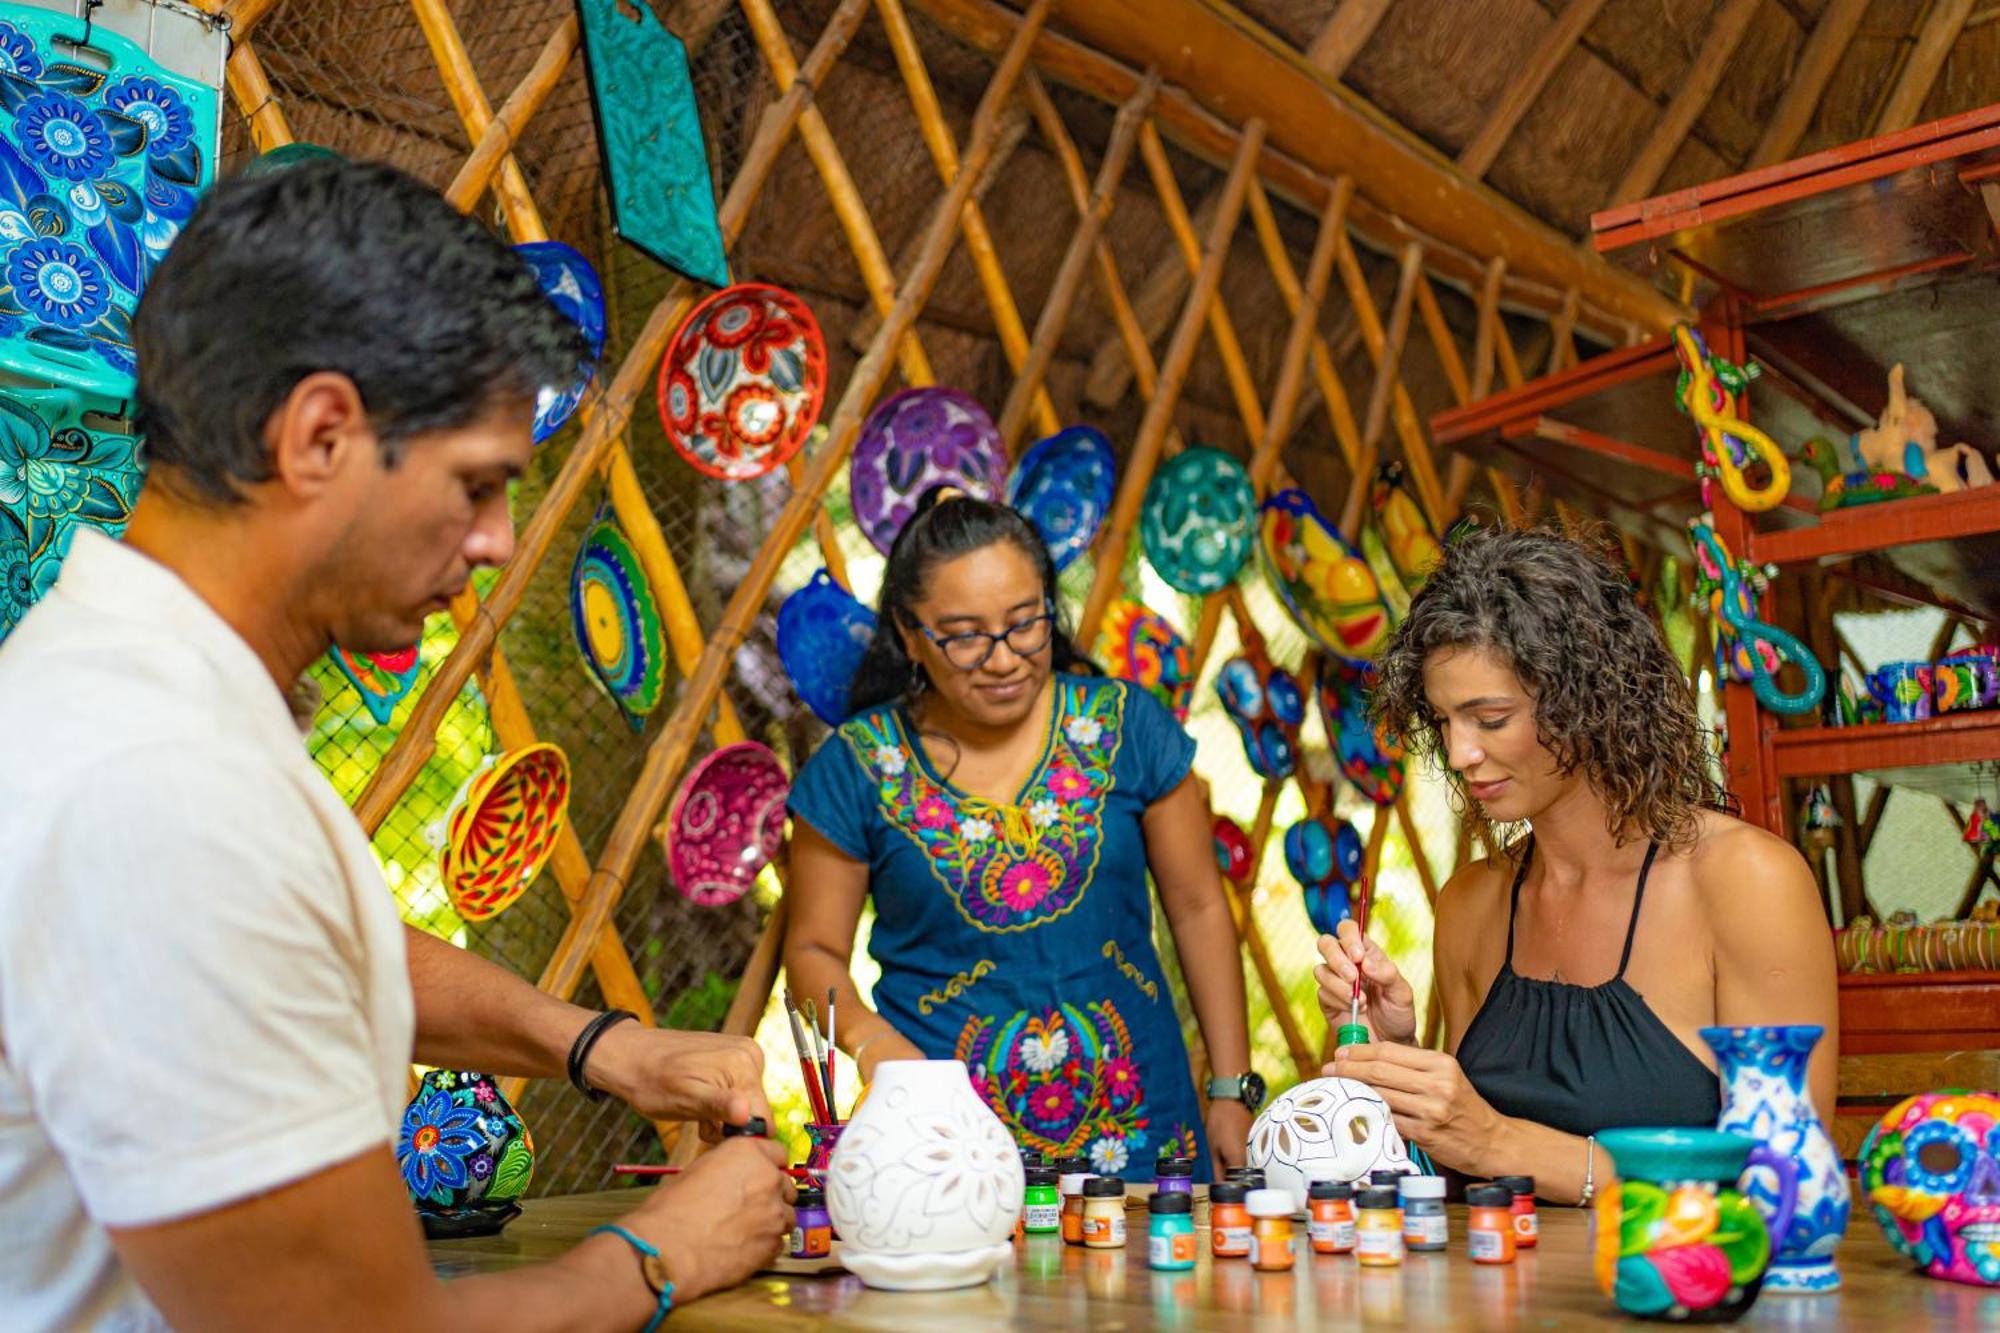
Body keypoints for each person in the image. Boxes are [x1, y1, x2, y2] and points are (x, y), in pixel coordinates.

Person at [0, 160, 792, 1331]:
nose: (493, 541)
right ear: (321, 434)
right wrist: (664, 1252)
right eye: (476, 485)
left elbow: (295, 950)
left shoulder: (133, 704)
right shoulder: (157, 788)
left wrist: (598, 1047)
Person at [1314, 525, 1837, 1202]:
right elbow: (1460, 1177)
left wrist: (1504, 1141)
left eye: (1490, 717)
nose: (1461, 751)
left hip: (1675, 1301)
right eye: (1443, 722)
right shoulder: (1472, 903)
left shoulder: (1744, 883)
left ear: (1584, 701)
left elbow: (1787, 1183)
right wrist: (1398, 1053)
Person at [785, 491, 1258, 1181]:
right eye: (966, 635)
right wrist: (871, 1044)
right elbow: (813, 948)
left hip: (1143, 1137)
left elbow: (1198, 906)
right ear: (909, 634)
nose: (1004, 658)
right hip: (943, 1146)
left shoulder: (1127, 727)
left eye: (1025, 623)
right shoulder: (858, 766)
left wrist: (1230, 1086)